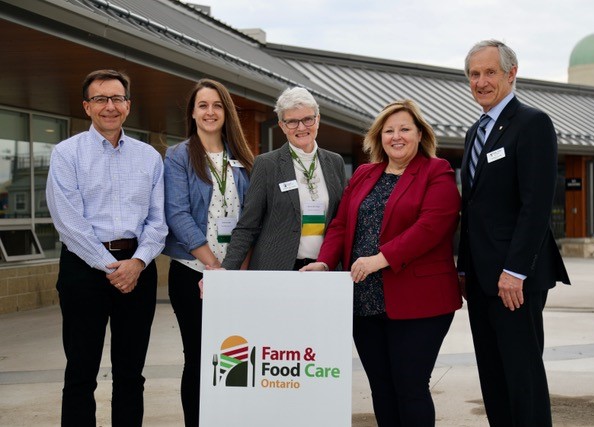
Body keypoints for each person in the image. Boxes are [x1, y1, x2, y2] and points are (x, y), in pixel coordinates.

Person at [302, 100, 462, 427]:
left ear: (420, 133)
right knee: (382, 388)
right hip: (365, 300)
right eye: (389, 130)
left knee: (410, 386)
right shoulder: (364, 174)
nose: (396, 136)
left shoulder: (437, 171)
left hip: (420, 302)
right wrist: (324, 262)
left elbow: (432, 226)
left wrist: (380, 259)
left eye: (404, 129)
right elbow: (341, 225)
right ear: (379, 137)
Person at [457, 40, 571, 426]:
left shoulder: (532, 123)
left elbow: (537, 205)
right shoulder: (475, 132)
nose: (481, 81)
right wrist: (463, 269)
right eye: (474, 74)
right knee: (493, 376)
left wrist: (516, 271)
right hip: (480, 280)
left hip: (514, 281)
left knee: (522, 378)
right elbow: (471, 210)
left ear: (511, 73)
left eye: (490, 72)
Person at [45, 69, 167, 426]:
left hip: (138, 270)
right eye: (100, 99)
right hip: (83, 270)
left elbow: (158, 221)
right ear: (87, 106)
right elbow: (68, 220)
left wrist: (138, 262)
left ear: (128, 106)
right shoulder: (66, 154)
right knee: (81, 373)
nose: (109, 106)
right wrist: (109, 265)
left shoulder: (149, 158)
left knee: (131, 374)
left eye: (117, 99)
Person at [162, 78, 254, 426]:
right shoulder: (179, 155)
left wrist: (237, 268)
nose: (210, 112)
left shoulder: (244, 158)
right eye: (203, 105)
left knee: (237, 355)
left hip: (237, 274)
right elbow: (177, 213)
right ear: (193, 112)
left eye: (217, 105)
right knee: (200, 358)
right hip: (193, 272)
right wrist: (213, 267)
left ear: (226, 112)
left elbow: (251, 217)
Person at [220, 86, 346, 271]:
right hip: (277, 270)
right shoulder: (267, 164)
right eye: (292, 122)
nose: (301, 127)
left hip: (324, 270)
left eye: (307, 119)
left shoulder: (335, 162)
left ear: (317, 119)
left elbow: (340, 221)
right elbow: (248, 225)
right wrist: (226, 270)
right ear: (282, 126)